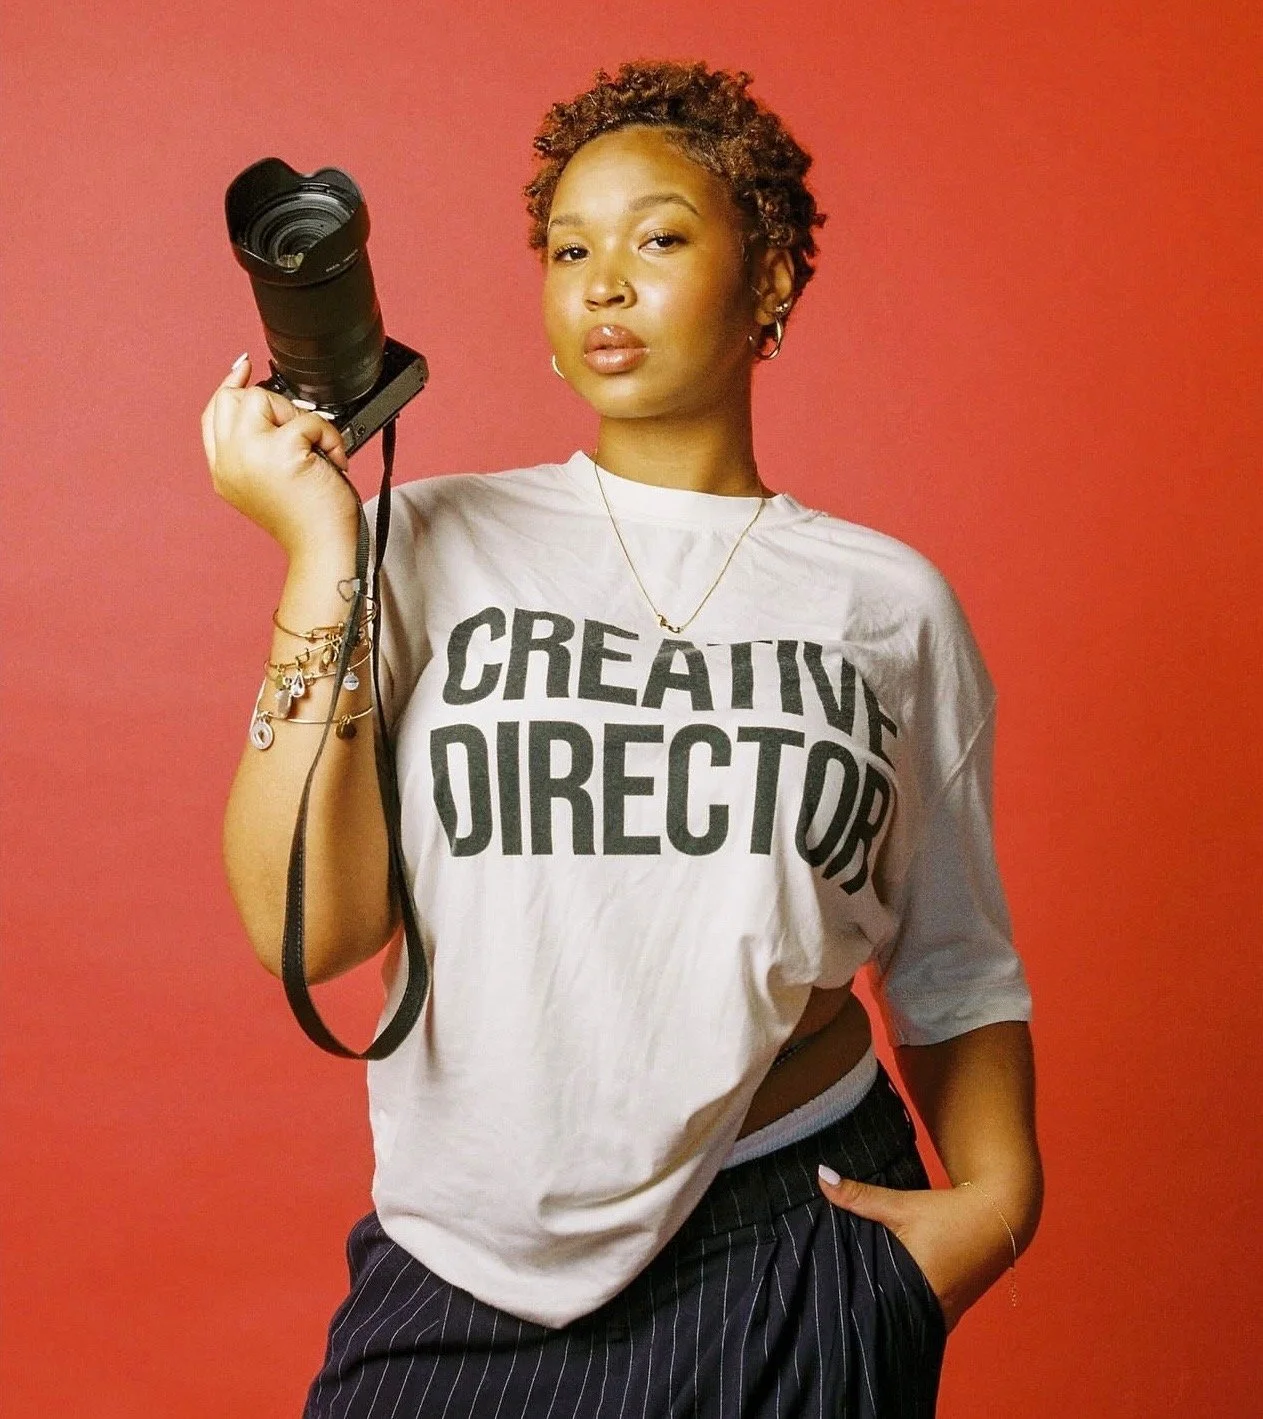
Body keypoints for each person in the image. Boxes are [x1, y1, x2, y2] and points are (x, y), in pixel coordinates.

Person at [203, 58, 1042, 1419]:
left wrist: (994, 1210)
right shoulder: (425, 540)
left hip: (786, 1237)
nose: (603, 284)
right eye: (568, 249)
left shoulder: (887, 604)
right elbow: (310, 931)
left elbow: (952, 958)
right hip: (458, 1262)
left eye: (657, 240)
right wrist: (319, 551)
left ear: (768, 280)